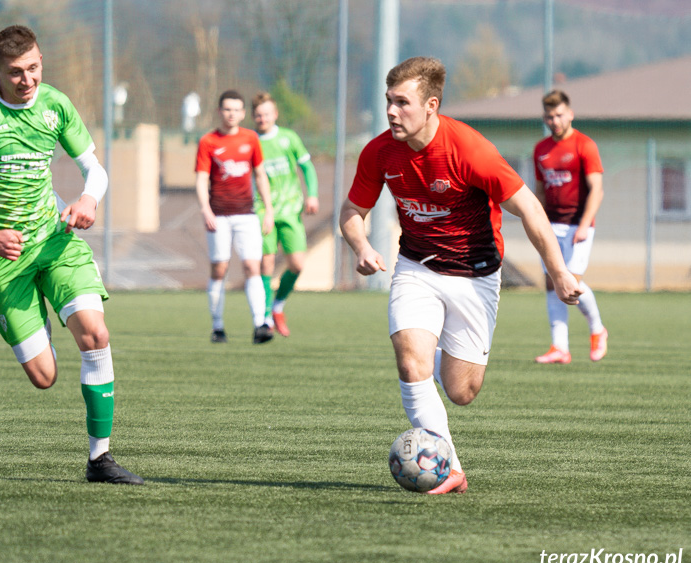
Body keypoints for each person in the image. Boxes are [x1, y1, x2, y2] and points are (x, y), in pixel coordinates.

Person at [339, 57, 581, 494]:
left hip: (475, 275)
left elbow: (529, 208)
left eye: (402, 102)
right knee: (410, 360)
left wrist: (559, 272)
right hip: (415, 266)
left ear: (431, 105)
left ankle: (438, 350)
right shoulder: (379, 151)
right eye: (388, 102)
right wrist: (361, 245)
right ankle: (448, 467)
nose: (392, 111)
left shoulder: (468, 149)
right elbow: (352, 211)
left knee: (461, 390)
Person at [0, 25, 143, 485]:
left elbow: (94, 169)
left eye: (34, 68)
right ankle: (31, 322)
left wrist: (88, 200)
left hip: (54, 240)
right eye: (16, 72)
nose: (28, 80)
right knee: (44, 377)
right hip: (1, 257)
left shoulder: (56, 104)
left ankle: (99, 460)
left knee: (95, 333)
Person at [533, 90, 608, 364]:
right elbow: (540, 191)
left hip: (578, 224)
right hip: (550, 224)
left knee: (572, 284)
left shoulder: (584, 145)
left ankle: (598, 330)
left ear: (570, 114)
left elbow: (596, 190)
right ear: (544, 117)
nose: (555, 120)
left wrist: (585, 224)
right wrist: (535, 221)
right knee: (553, 284)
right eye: (550, 116)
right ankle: (559, 347)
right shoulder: (540, 149)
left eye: (559, 115)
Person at [195, 90, 275, 344]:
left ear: (243, 113)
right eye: (227, 109)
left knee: (253, 266)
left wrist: (268, 210)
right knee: (219, 269)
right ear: (220, 111)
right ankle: (217, 327)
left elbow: (260, 175)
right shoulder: (208, 141)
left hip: (247, 215)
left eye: (237, 109)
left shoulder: (250, 139)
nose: (232, 114)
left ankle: (260, 325)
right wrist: (205, 209)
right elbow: (201, 178)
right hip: (218, 216)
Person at [251, 92, 319, 337]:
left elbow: (306, 167)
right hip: (262, 210)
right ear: (253, 117)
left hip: (290, 211)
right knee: (266, 263)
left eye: (267, 114)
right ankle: (266, 317)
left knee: (297, 264)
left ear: (275, 114)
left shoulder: (289, 138)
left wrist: (312, 194)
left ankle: (278, 304)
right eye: (258, 115)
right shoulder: (251, 142)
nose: (263, 118)